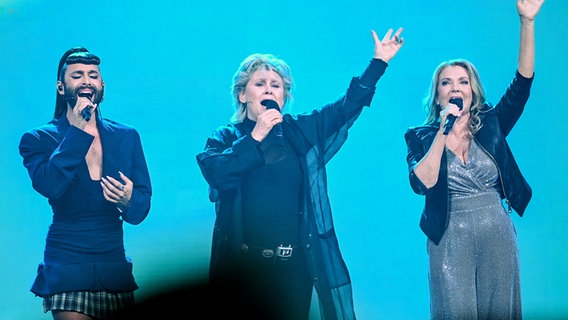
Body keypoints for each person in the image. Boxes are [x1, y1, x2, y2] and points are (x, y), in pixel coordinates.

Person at [196, 26, 404, 320]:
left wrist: (378, 64)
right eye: (260, 83)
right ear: (242, 95)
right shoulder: (226, 137)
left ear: (284, 96)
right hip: (243, 269)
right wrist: (256, 136)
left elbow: (347, 107)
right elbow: (217, 173)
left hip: (292, 270)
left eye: (276, 84)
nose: (269, 88)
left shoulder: (299, 131)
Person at [404, 0, 544, 319]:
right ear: (438, 93)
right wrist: (443, 129)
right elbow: (421, 182)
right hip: (449, 236)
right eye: (447, 83)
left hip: (495, 230)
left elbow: (522, 84)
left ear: (473, 90)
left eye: (463, 81)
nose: (456, 87)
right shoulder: (420, 136)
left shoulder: (491, 123)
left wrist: (527, 23)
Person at [18, 47, 152, 320]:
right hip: (67, 262)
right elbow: (51, 185)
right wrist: (78, 130)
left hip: (112, 263)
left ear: (102, 86)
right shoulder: (38, 139)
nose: (86, 81)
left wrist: (129, 200)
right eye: (77, 75)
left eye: (93, 75)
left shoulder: (126, 136)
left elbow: (141, 208)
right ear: (61, 87)